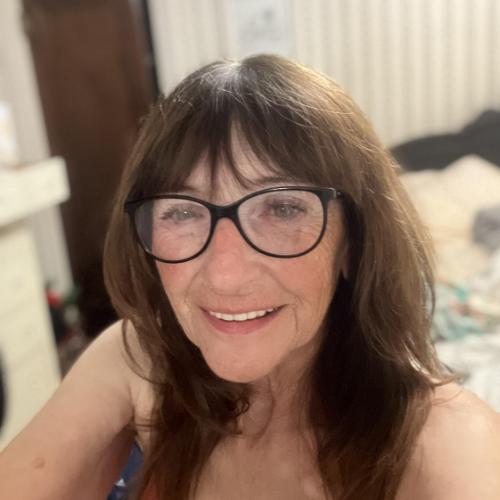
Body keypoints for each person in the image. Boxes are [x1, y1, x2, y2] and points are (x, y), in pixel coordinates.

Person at [1, 54, 499, 500]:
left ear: (354, 242)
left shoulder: (444, 441)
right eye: (181, 212)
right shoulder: (141, 359)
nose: (225, 275)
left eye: (282, 209)